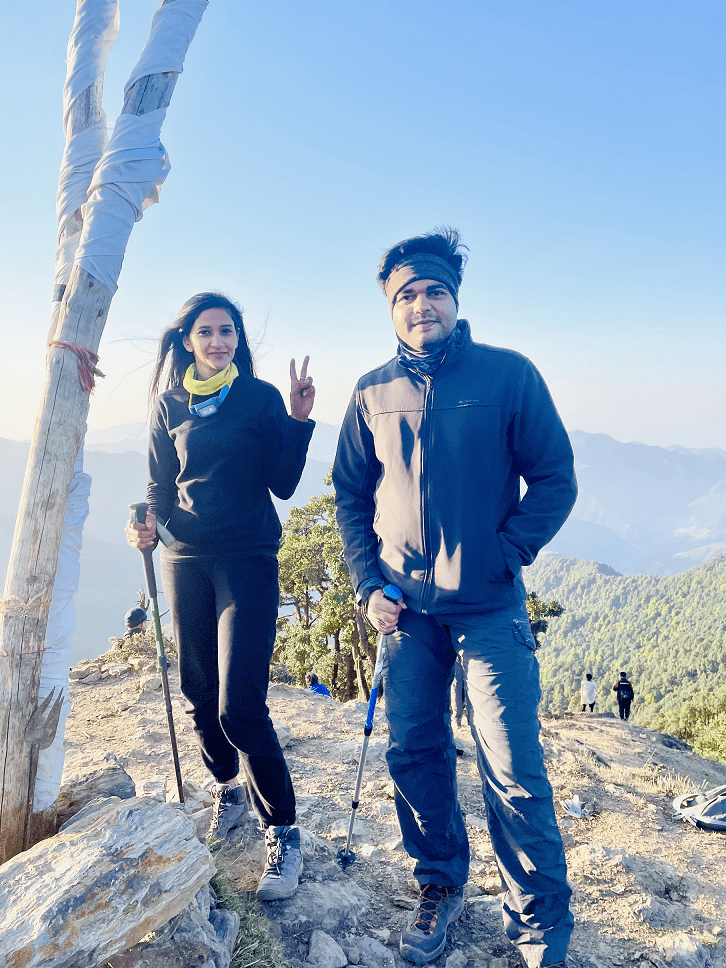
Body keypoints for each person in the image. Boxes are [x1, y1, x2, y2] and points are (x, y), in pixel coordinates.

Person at [333, 229, 577, 967]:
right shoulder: (372, 392)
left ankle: (538, 928)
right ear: (390, 307)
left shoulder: (509, 376)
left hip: (489, 608)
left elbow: (556, 478)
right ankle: (440, 882)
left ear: (455, 298)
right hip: (406, 612)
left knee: (511, 765)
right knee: (414, 752)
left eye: (433, 290)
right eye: (405, 294)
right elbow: (349, 492)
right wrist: (368, 581)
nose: (420, 304)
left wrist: (505, 555)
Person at [125, 291, 315, 902]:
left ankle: (283, 832)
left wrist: (298, 419)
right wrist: (145, 524)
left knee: (239, 706)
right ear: (186, 340)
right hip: (184, 559)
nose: (218, 341)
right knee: (198, 693)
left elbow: (284, 484)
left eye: (227, 331)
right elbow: (158, 483)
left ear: (237, 339)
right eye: (206, 331)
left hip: (248, 559)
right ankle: (227, 788)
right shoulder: (168, 404)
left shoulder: (259, 399)